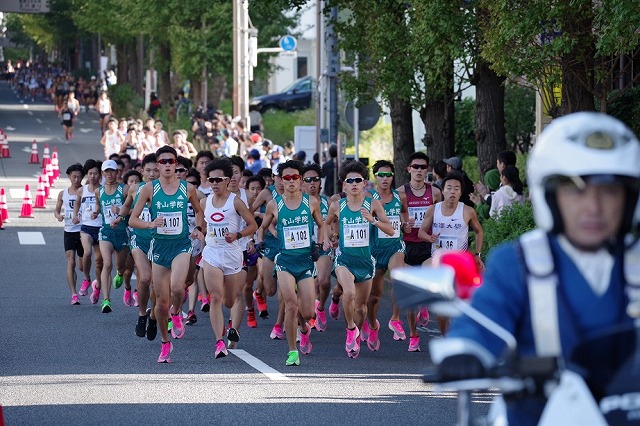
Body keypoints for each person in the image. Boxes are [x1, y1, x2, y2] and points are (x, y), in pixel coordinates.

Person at [435, 112, 640, 425]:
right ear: (550, 195)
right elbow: (483, 321)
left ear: (629, 199)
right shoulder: (518, 263)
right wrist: (465, 350)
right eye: (576, 190)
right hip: (537, 415)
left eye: (609, 191)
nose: (594, 207)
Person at [129, 146, 205, 363]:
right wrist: (150, 223)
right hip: (159, 247)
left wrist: (198, 229)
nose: (167, 165)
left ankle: (178, 312)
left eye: (171, 161)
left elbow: (199, 211)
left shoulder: (187, 188)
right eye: (163, 162)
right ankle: (165, 342)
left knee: (178, 288)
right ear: (158, 165)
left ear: (176, 163)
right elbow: (133, 220)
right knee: (161, 303)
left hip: (181, 244)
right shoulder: (148, 190)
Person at [323, 161, 395, 358]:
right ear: (344, 186)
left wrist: (373, 221)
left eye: (358, 180)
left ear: (364, 183)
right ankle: (350, 330)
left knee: (362, 308)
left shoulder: (373, 204)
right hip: (344, 259)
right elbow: (326, 223)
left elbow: (390, 230)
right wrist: (329, 238)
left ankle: (363, 326)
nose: (354, 184)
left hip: (365, 261)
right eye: (350, 181)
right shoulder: (337, 205)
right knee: (349, 292)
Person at [259, 160, 325, 366]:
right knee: (290, 304)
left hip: (305, 261)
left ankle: (304, 328)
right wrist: (259, 240)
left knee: (307, 312)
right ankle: (292, 351)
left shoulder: (311, 202)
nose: (290, 181)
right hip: (285, 261)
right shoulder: (274, 204)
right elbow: (263, 227)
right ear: (280, 180)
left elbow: (322, 226)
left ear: (300, 180)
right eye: (286, 178)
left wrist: (320, 245)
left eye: (294, 177)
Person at [200, 158, 257, 359]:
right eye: (211, 180)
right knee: (215, 296)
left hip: (232, 254)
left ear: (227, 180)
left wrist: (238, 235)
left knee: (229, 300)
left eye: (218, 180)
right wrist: (200, 233)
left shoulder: (236, 202)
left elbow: (252, 225)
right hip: (213, 253)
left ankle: (232, 325)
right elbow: (203, 225)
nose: (214, 184)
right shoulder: (204, 202)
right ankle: (219, 342)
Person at [418, 171, 484, 335]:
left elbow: (479, 232)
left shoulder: (468, 211)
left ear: (461, 192)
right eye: (449, 188)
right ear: (443, 190)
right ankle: (446, 336)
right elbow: (421, 232)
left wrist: (477, 254)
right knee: (442, 310)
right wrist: (429, 237)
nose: (453, 191)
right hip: (438, 262)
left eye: (456, 188)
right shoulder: (433, 210)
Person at [395, 152, 442, 351]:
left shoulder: (436, 193)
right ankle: (414, 335)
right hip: (406, 246)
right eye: (416, 166)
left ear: (428, 169)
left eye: (423, 167)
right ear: (409, 169)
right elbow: (391, 221)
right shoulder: (400, 193)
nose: (419, 170)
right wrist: (402, 226)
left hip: (426, 246)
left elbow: (442, 217)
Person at [361, 160, 409, 352]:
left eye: (388, 175)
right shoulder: (369, 198)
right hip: (374, 250)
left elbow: (403, 213)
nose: (385, 179)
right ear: (375, 177)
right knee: (374, 297)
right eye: (381, 175)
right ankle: (372, 325)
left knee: (399, 277)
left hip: (394, 246)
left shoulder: (400, 196)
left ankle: (395, 319)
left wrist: (405, 224)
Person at [72, 159, 104, 305]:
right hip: (86, 227)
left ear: (100, 175)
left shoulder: (104, 189)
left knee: (98, 262)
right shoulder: (82, 190)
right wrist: (75, 215)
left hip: (101, 227)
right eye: (90, 173)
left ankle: (97, 287)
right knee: (87, 253)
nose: (93, 176)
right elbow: (77, 202)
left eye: (96, 174)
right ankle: (86, 279)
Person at [54, 164, 85, 305]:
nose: (76, 179)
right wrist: (58, 216)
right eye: (74, 176)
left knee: (82, 266)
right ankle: (73, 294)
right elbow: (56, 210)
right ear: (69, 177)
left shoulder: (87, 192)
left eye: (79, 176)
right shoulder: (63, 193)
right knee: (70, 261)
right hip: (69, 231)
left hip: (84, 231)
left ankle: (86, 280)